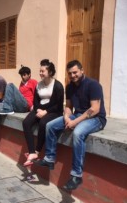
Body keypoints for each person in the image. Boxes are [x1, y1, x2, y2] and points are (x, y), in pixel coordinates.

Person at [35, 60, 107, 191]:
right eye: (70, 73)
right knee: (50, 125)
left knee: (78, 133)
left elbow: (95, 109)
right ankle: (50, 159)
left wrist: (75, 122)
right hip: (77, 114)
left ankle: (76, 175)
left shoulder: (93, 85)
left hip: (96, 119)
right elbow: (68, 106)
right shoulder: (69, 87)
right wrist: (67, 117)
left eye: (75, 72)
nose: (73, 75)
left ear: (82, 70)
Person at [0, 65, 38, 142]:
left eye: (24, 75)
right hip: (18, 105)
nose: (22, 77)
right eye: (21, 75)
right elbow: (18, 97)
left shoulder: (33, 82)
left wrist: (34, 107)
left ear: (29, 75)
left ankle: (7, 108)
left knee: (10, 85)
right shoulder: (21, 84)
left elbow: (37, 95)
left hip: (26, 105)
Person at [22, 59, 64, 166]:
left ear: (49, 72)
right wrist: (38, 110)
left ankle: (37, 151)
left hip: (54, 111)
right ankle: (31, 152)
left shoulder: (58, 86)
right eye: (40, 71)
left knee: (43, 123)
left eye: (43, 71)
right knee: (26, 123)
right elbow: (35, 101)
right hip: (40, 109)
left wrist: (46, 112)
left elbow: (58, 105)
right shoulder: (38, 85)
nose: (40, 73)